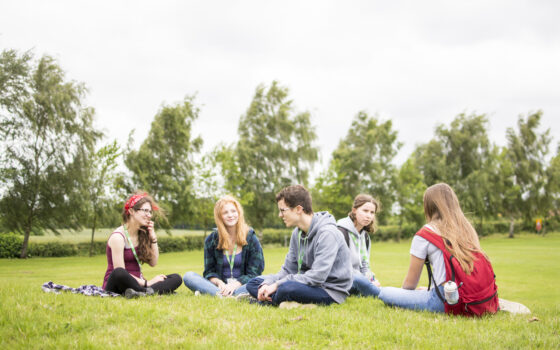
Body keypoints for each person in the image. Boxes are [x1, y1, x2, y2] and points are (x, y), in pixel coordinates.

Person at [374, 183, 497, 313]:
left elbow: (410, 283)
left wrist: (408, 295)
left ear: (428, 206)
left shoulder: (425, 234)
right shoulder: (466, 228)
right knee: (423, 292)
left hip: (446, 300)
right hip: (478, 297)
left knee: (385, 293)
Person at [246, 185, 352, 307]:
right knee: (254, 283)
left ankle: (266, 301)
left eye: (282, 210)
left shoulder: (327, 233)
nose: (280, 215)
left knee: (285, 288)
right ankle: (275, 299)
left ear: (298, 209)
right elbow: (288, 269)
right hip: (304, 283)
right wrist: (268, 284)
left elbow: (317, 277)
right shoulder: (297, 233)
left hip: (329, 289)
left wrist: (276, 285)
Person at [102, 192, 182, 298]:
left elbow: (153, 263)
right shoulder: (118, 237)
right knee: (119, 273)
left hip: (138, 285)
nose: (149, 215)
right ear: (131, 211)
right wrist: (147, 283)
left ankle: (141, 293)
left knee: (176, 278)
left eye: (150, 212)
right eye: (145, 211)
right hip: (118, 284)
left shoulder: (143, 234)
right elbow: (119, 270)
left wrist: (153, 238)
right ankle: (148, 291)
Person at [183, 195, 264, 297]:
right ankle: (223, 294)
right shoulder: (211, 240)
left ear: (239, 213)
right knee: (188, 276)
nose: (230, 215)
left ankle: (216, 294)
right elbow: (209, 272)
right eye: (225, 212)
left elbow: (255, 272)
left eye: (233, 211)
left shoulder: (250, 237)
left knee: (265, 279)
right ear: (219, 216)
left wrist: (235, 285)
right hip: (220, 287)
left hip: (243, 285)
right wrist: (219, 283)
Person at [336, 194, 381, 297]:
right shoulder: (341, 232)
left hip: (357, 280)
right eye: (365, 211)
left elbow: (365, 265)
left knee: (377, 287)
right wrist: (366, 284)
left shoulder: (365, 237)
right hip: (341, 281)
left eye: (372, 212)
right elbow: (342, 268)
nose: (368, 215)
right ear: (354, 210)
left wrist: (371, 279)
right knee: (379, 293)